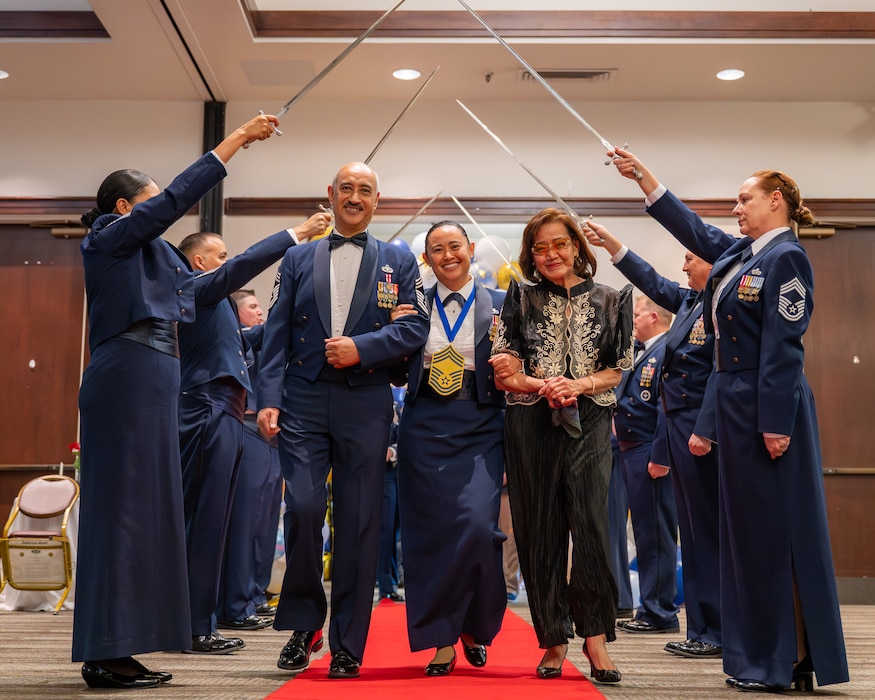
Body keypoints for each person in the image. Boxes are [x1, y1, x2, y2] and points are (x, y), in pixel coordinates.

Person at [611, 147, 849, 691]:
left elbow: (784, 348)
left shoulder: (786, 258)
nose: (736, 209)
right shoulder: (743, 256)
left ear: (776, 200)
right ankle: (760, 656)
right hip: (736, 407)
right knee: (745, 537)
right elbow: (696, 232)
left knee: (771, 534)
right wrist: (647, 180)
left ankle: (783, 657)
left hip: (768, 408)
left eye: (744, 200)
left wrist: (775, 423)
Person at [73, 113, 280, 689]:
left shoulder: (157, 260)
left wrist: (288, 239)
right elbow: (174, 202)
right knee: (122, 513)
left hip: (157, 382)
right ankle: (103, 651)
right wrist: (237, 139)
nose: (163, 206)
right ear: (125, 209)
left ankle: (127, 644)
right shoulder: (107, 240)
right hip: (128, 377)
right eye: (151, 200)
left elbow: (216, 282)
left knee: (151, 516)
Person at [257, 161, 430, 679]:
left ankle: (348, 643)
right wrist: (268, 396)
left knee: (359, 522)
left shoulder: (400, 259)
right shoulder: (295, 256)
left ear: (378, 201)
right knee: (305, 508)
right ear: (330, 195)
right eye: (347, 188)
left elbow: (416, 327)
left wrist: (363, 348)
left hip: (366, 400)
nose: (355, 197)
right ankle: (304, 623)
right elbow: (275, 332)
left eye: (366, 191)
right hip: (303, 399)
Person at [489, 207, 632, 685]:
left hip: (590, 420)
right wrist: (541, 383)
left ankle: (595, 637)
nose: (551, 254)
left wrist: (581, 384)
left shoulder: (613, 300)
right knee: (538, 529)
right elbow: (503, 366)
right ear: (531, 254)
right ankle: (552, 638)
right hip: (531, 421)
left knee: (590, 524)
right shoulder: (520, 299)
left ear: (577, 246)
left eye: (560, 244)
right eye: (540, 247)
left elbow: (618, 368)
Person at [177, 219, 327, 653]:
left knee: (216, 521)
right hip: (208, 408)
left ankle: (199, 619)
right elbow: (244, 266)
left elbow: (253, 340)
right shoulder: (197, 288)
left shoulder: (215, 304)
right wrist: (296, 235)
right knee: (205, 521)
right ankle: (194, 625)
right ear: (199, 261)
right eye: (220, 256)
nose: (228, 262)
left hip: (222, 407)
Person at [584, 223, 722, 659]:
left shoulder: (717, 305)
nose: (683, 264)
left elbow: (677, 395)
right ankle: (700, 626)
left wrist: (668, 447)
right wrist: (615, 247)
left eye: (691, 257)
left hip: (689, 437)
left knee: (688, 536)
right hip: (664, 441)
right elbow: (653, 281)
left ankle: (702, 624)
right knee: (682, 537)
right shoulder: (690, 303)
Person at [395, 221, 507, 676]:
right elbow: (395, 367)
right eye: (436, 249)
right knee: (429, 538)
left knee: (478, 529)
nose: (447, 255)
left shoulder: (502, 304)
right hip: (423, 426)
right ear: (427, 259)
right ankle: (441, 639)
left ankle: (472, 625)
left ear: (470, 249)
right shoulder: (412, 306)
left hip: (480, 424)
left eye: (454, 246)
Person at [212, 290, 280, 632]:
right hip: (248, 429)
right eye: (253, 307)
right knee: (246, 521)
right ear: (236, 314)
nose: (260, 313)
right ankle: (235, 604)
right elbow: (262, 333)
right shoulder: (236, 338)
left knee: (265, 524)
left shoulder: (257, 343)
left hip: (273, 438)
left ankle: (253, 595)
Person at [613, 295, 679, 635]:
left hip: (648, 451)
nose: (633, 320)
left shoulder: (665, 349)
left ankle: (660, 611)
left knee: (656, 534)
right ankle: (651, 607)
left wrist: (660, 456)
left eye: (637, 314)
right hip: (632, 449)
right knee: (644, 532)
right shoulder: (646, 350)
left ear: (654, 316)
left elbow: (666, 410)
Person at [376, 398, 404, 603]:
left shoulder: (396, 406)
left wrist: (393, 450)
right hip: (381, 476)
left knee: (394, 532)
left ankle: (392, 581)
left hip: (399, 474)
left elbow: (403, 436)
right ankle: (385, 585)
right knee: (385, 533)